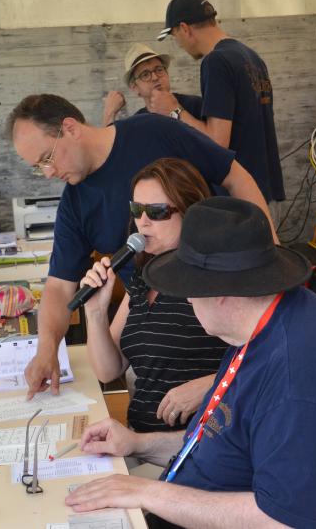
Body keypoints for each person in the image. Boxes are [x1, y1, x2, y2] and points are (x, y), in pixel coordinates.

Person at [65, 197, 316, 528]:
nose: (187, 299)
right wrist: (137, 444)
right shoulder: (271, 320)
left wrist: (146, 493)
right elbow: (222, 440)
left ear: (218, 291)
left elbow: (280, 520)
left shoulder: (297, 372)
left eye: (188, 287)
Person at [5, 94, 272, 400]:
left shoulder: (153, 132)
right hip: (148, 327)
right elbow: (59, 287)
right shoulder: (75, 203)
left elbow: (235, 177)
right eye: (38, 167)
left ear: (70, 128)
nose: (48, 173)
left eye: (47, 158)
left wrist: (272, 256)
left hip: (218, 300)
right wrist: (46, 349)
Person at [80, 158, 229, 433]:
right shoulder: (144, 276)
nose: (143, 222)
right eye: (137, 209)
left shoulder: (215, 279)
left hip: (198, 445)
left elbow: (266, 361)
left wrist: (212, 384)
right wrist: (95, 312)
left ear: (190, 212)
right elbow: (108, 370)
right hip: (138, 440)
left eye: (157, 212)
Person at [155, 0, 285, 205]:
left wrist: (174, 110)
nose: (178, 43)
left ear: (185, 28)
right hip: (263, 189)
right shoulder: (252, 57)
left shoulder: (216, 62)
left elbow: (217, 142)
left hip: (240, 196)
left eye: (174, 35)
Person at [102, 43, 203, 126]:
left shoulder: (194, 105)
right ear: (135, 88)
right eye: (145, 75)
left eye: (159, 70)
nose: (155, 77)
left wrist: (175, 111)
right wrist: (109, 112)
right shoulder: (137, 124)